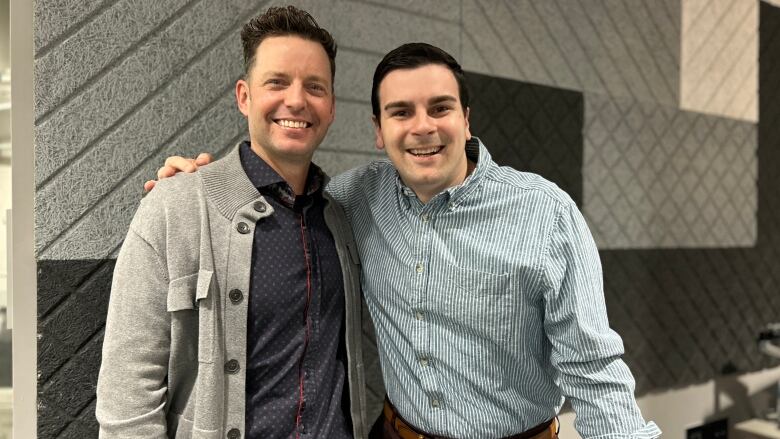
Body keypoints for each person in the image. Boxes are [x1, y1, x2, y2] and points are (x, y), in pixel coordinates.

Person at [152, 43, 661, 438]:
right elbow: (281, 188)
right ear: (378, 129)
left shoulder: (545, 213)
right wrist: (200, 181)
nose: (422, 128)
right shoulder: (353, 198)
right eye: (400, 112)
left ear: (466, 119)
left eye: (440, 108)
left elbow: (593, 368)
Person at [96, 6, 373, 439]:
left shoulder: (343, 218)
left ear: (332, 107)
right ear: (244, 96)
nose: (297, 100)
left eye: (314, 87)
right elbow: (127, 396)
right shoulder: (176, 207)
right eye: (277, 82)